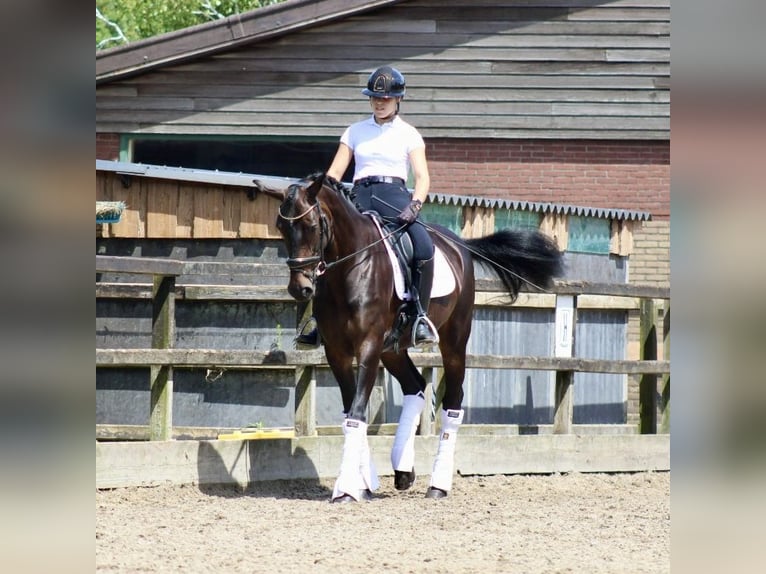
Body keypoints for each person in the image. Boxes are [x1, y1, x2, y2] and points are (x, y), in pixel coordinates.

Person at [296, 65, 439, 348]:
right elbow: (335, 174)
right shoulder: (354, 131)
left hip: (395, 196)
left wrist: (415, 205)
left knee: (423, 246)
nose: (379, 102)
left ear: (398, 99)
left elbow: (422, 177)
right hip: (358, 197)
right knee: (324, 245)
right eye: (375, 97)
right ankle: (316, 319)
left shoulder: (410, 134)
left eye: (385, 98)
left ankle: (419, 316)